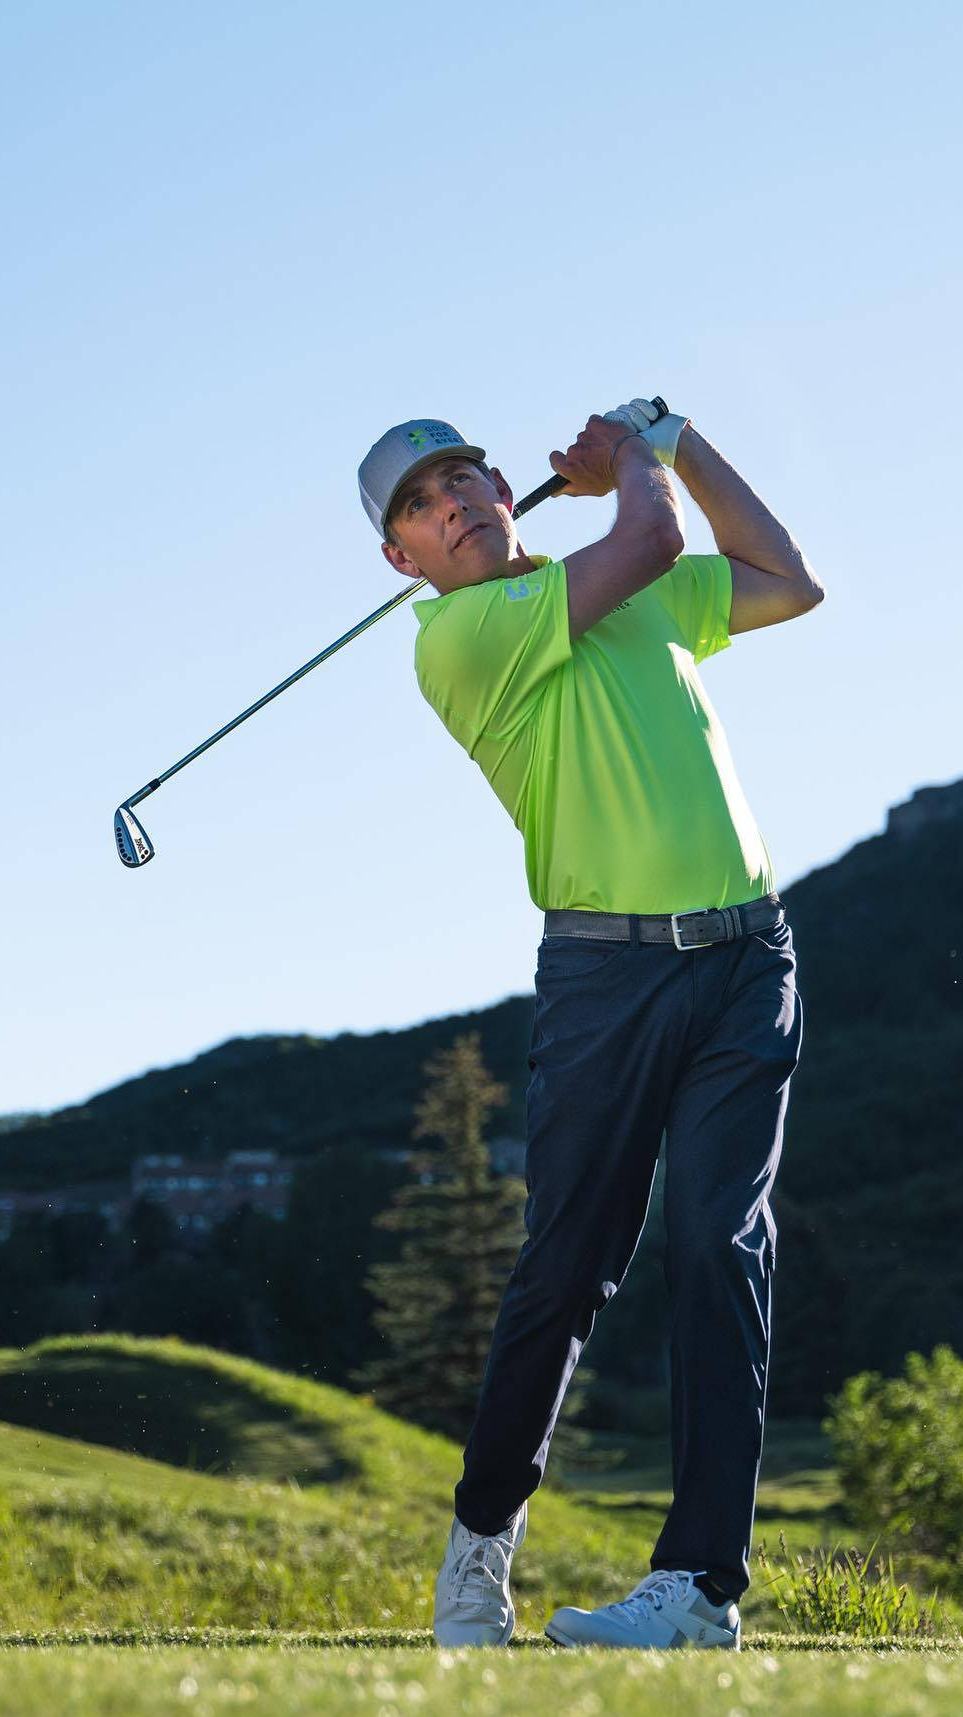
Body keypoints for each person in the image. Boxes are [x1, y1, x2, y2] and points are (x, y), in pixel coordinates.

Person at [355, 400, 822, 1650]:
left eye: (461, 476)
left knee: (723, 1249)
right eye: (419, 504)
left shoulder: (620, 579)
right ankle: (480, 1551)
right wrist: (635, 460)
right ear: (404, 558)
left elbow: (789, 579)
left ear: (506, 485)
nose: (450, 502)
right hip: (604, 980)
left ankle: (698, 1590)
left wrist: (684, 439)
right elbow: (655, 542)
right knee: (569, 1266)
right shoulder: (462, 637)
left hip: (746, 958)